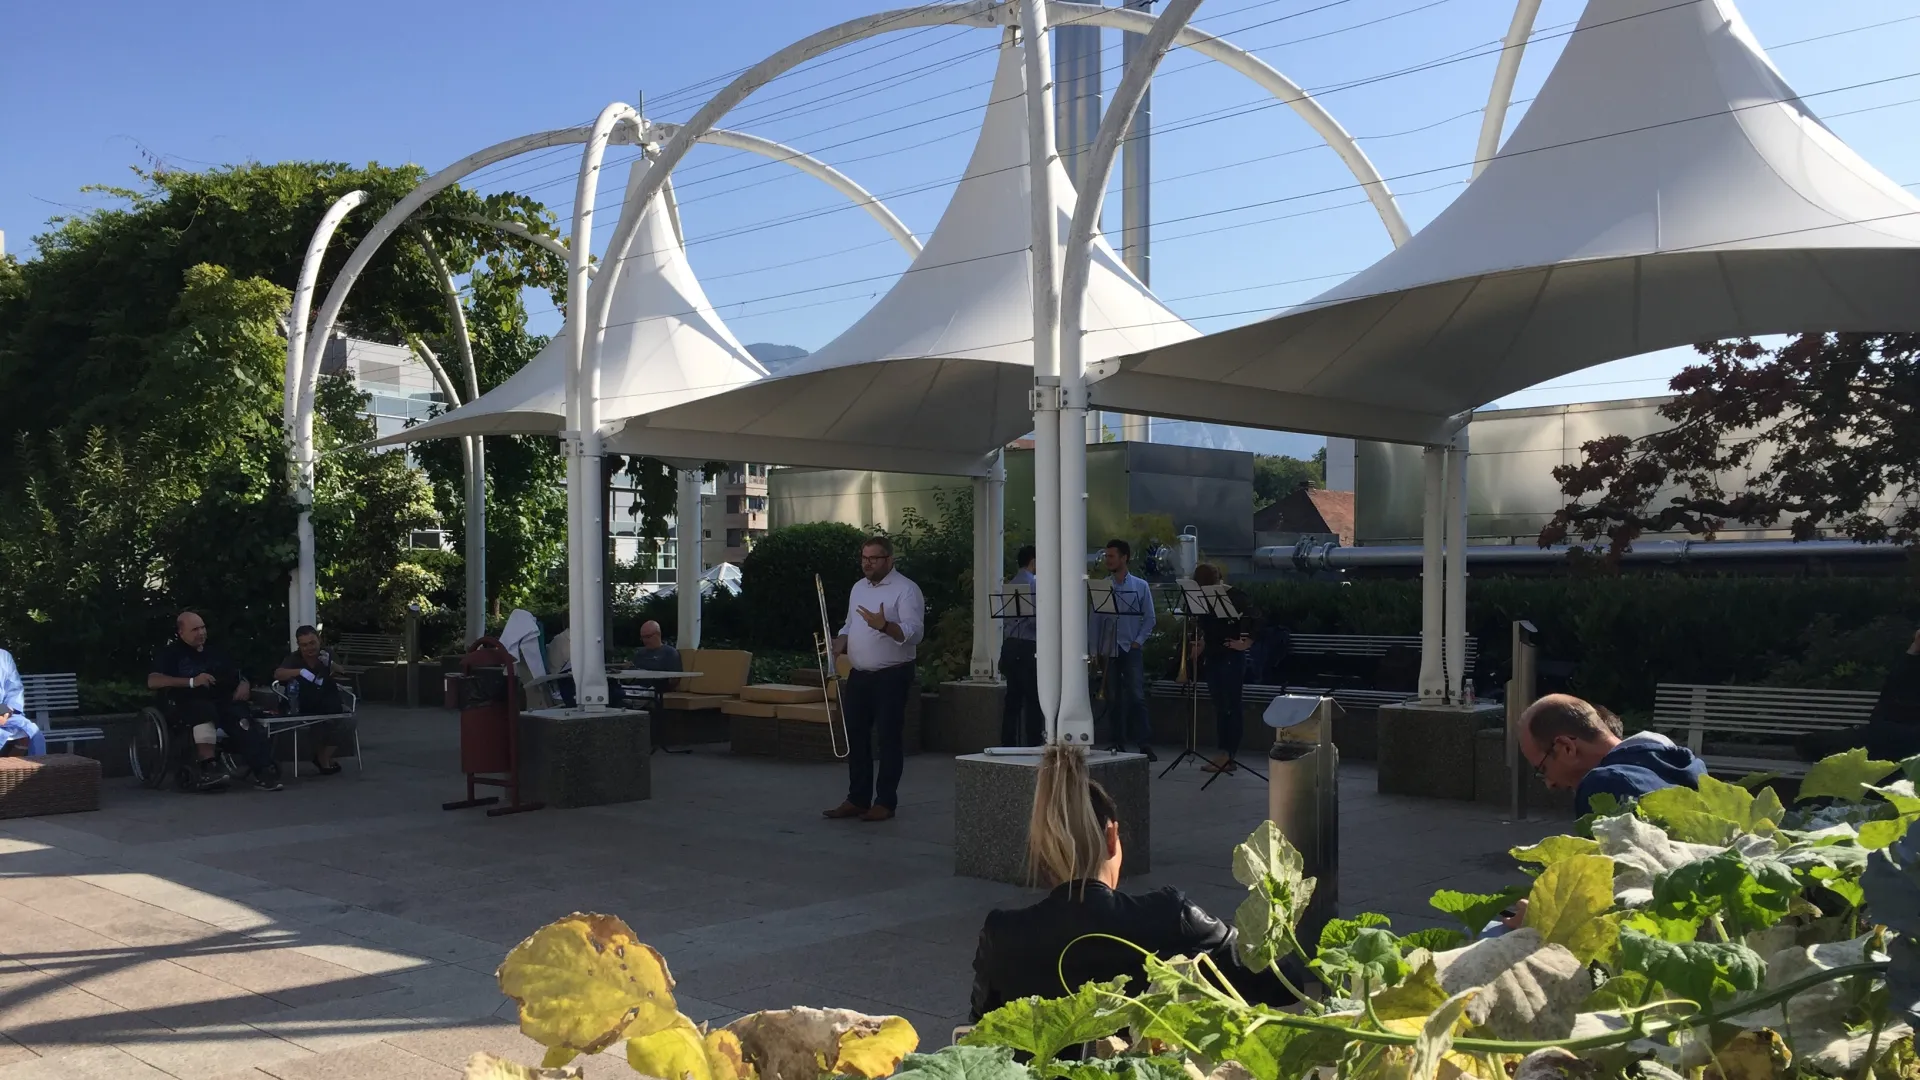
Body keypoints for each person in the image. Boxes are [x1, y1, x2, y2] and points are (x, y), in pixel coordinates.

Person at [969, 746, 1296, 1024]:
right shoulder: (1171, 917)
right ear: (1112, 837)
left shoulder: (1003, 935)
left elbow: (981, 1031)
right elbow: (1280, 982)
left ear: (1040, 851)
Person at [823, 536, 925, 823]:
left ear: (889, 560)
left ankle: (885, 802)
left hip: (892, 675)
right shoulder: (858, 588)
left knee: (889, 738)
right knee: (856, 736)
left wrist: (886, 626)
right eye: (864, 558)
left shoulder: (905, 590)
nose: (867, 563)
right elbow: (849, 623)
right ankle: (857, 798)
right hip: (859, 674)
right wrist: (842, 639)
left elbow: (915, 633)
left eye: (874, 558)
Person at [149, 611, 281, 792]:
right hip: (185, 701)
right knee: (204, 712)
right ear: (181, 633)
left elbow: (237, 672)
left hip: (222, 698)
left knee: (241, 717)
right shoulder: (171, 654)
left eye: (203, 627)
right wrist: (191, 682)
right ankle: (208, 767)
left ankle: (263, 769)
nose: (201, 633)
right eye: (195, 629)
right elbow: (153, 681)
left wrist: (244, 683)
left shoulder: (216, 650)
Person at [1520, 693, 1704, 815]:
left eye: (1543, 769)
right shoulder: (1685, 764)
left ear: (1567, 747)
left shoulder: (1604, 784)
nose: (1549, 783)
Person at [1796, 628, 1920, 761]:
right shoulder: (1908, 676)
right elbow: (1892, 689)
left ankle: (1819, 746)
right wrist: (1913, 649)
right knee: (1867, 737)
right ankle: (1817, 745)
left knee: (1871, 737)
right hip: (1887, 735)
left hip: (1898, 739)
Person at [1187, 564, 1259, 773]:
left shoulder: (1235, 596)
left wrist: (1247, 643)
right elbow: (1206, 625)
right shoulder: (1202, 598)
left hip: (1231, 657)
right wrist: (1200, 643)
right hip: (1213, 655)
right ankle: (1222, 753)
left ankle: (1229, 754)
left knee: (1231, 706)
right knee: (1220, 707)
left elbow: (1257, 618)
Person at [1094, 539, 1156, 761]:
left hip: (1131, 647)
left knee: (1137, 696)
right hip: (1109, 649)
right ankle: (1118, 742)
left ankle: (1144, 743)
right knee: (1113, 698)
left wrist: (1139, 641)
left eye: (1111, 556)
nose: (1107, 560)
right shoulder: (1102, 586)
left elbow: (1150, 618)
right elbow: (1096, 621)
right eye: (1106, 556)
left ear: (1124, 558)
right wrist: (1096, 650)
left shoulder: (1140, 586)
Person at [272, 625, 359, 776]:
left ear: (319, 640)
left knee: (347, 721)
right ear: (299, 645)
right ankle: (323, 760)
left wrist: (330, 664)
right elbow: (278, 674)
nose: (309, 648)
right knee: (317, 722)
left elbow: (342, 672)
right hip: (302, 702)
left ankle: (323, 756)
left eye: (312, 643)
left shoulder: (327, 653)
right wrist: (300, 672)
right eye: (304, 645)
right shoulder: (294, 658)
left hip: (328, 701)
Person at [1000, 545, 1042, 747]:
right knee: (1033, 698)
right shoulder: (1033, 585)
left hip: (1009, 646)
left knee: (1012, 699)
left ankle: (1007, 743)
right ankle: (1033, 743)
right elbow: (1035, 622)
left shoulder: (1011, 584)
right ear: (1033, 562)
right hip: (1027, 647)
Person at [0, 646, 42, 756]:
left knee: (32, 732)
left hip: (4, 713)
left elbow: (14, 690)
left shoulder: (4, 657)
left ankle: (36, 771)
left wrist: (5, 712)